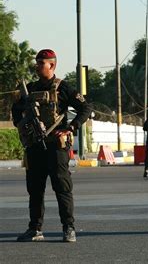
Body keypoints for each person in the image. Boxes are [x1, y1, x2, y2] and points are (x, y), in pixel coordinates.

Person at [12, 49, 92, 242]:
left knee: (62, 187)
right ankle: (35, 229)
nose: (37, 66)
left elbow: (86, 108)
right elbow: (16, 109)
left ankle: (68, 228)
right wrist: (22, 124)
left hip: (56, 147)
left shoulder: (63, 88)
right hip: (35, 147)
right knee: (35, 190)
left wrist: (71, 127)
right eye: (37, 62)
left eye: (41, 63)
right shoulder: (29, 89)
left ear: (52, 65)